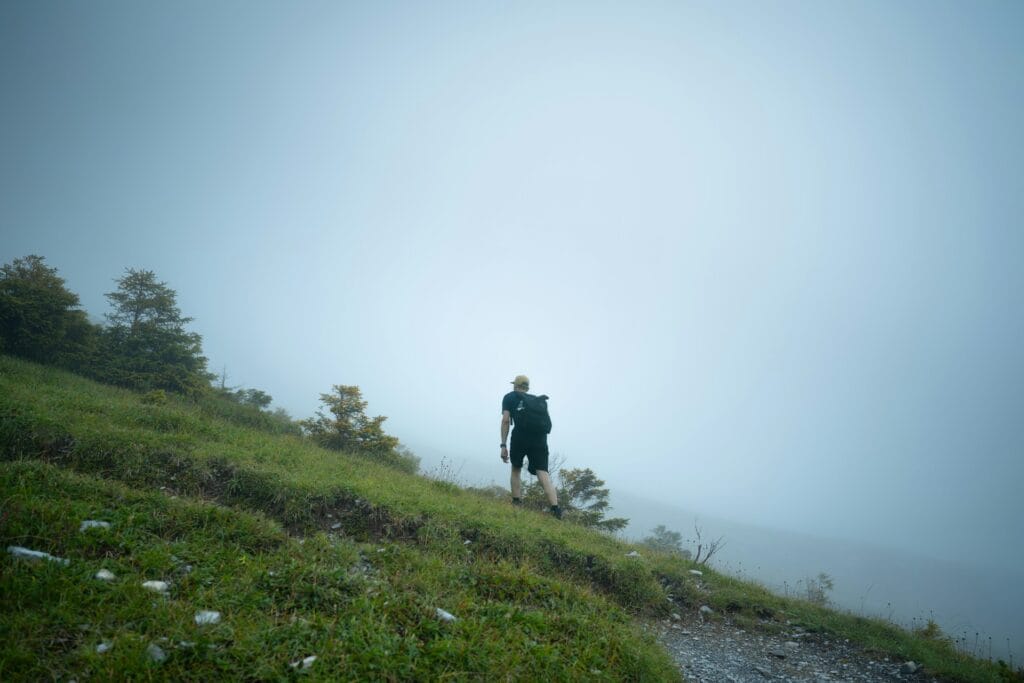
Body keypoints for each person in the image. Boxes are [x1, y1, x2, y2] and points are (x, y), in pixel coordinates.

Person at [500, 374, 562, 518]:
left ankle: (516, 504)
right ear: (527, 387)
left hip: (520, 437)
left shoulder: (509, 397)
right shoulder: (538, 400)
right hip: (540, 439)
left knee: (516, 468)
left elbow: (505, 420)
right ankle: (556, 509)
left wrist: (503, 445)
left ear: (515, 385)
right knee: (543, 472)